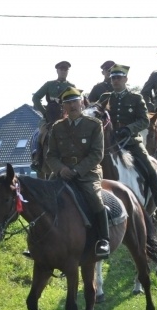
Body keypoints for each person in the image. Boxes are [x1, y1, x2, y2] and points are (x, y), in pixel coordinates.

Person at [46, 87, 110, 259]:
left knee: (95, 198)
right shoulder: (57, 127)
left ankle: (104, 239)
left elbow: (97, 154)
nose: (72, 105)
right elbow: (51, 155)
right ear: (64, 107)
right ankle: (41, 239)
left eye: (75, 101)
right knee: (45, 197)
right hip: (62, 172)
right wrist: (60, 169)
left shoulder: (94, 125)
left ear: (81, 102)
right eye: (68, 103)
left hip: (87, 173)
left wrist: (77, 170)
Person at [97, 64, 157, 214]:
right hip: (109, 142)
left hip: (131, 141)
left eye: (118, 78)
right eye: (113, 78)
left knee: (147, 164)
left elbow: (144, 121)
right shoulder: (105, 98)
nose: (115, 81)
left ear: (125, 79)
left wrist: (129, 128)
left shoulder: (136, 98)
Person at [31, 61, 76, 173]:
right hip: (49, 118)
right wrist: (44, 112)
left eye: (65, 70)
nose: (63, 71)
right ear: (57, 71)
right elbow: (36, 98)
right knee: (41, 134)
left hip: (66, 118)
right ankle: (37, 159)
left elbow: (76, 102)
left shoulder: (71, 87)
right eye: (61, 69)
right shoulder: (49, 84)